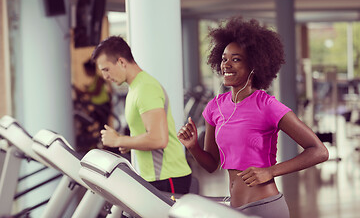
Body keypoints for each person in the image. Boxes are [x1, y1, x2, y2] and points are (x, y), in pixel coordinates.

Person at [177, 16, 329, 218]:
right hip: (234, 207)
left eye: (236, 59)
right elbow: (212, 164)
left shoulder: (267, 106)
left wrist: (270, 171)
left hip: (264, 206)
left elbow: (319, 151)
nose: (227, 65)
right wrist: (193, 146)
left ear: (254, 65)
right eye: (224, 59)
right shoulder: (214, 106)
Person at [90, 36, 192, 195]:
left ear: (121, 62)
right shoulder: (135, 88)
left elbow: (158, 139)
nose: (105, 77)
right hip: (155, 177)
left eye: (106, 69)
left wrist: (118, 140)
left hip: (167, 177)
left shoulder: (145, 88)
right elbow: (147, 134)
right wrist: (127, 141)